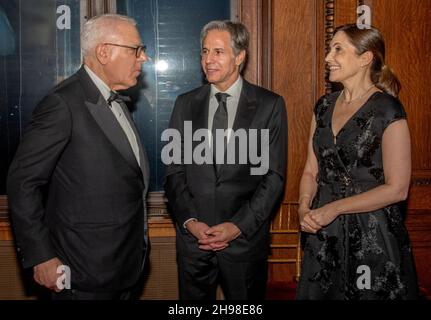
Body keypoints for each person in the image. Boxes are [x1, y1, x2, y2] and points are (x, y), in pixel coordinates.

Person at [7, 14, 150, 300]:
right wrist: (42, 257)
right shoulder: (62, 103)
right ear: (104, 52)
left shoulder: (118, 100)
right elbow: (22, 182)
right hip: (82, 272)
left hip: (126, 266)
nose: (143, 58)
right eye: (136, 49)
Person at [164, 20, 287, 300]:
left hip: (244, 241)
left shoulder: (270, 105)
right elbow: (173, 171)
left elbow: (274, 176)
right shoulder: (185, 103)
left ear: (240, 56)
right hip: (194, 241)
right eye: (205, 52)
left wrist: (237, 226)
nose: (208, 60)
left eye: (218, 52)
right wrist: (191, 222)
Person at [296, 23, 418, 300]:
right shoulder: (323, 106)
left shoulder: (387, 109)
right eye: (329, 49)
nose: (328, 57)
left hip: (372, 234)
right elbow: (311, 170)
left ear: (366, 58)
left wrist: (335, 208)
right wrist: (304, 206)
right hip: (324, 232)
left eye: (338, 49)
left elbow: (398, 188)